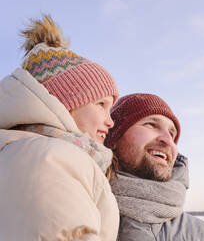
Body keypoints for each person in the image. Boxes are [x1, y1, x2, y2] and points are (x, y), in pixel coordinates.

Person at [0, 15, 119, 241]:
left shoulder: (20, 149)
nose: (110, 121)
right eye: (101, 104)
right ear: (64, 102)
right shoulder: (50, 158)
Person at [104, 93, 204, 240]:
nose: (168, 140)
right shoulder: (79, 208)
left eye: (172, 134)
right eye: (151, 124)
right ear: (114, 138)